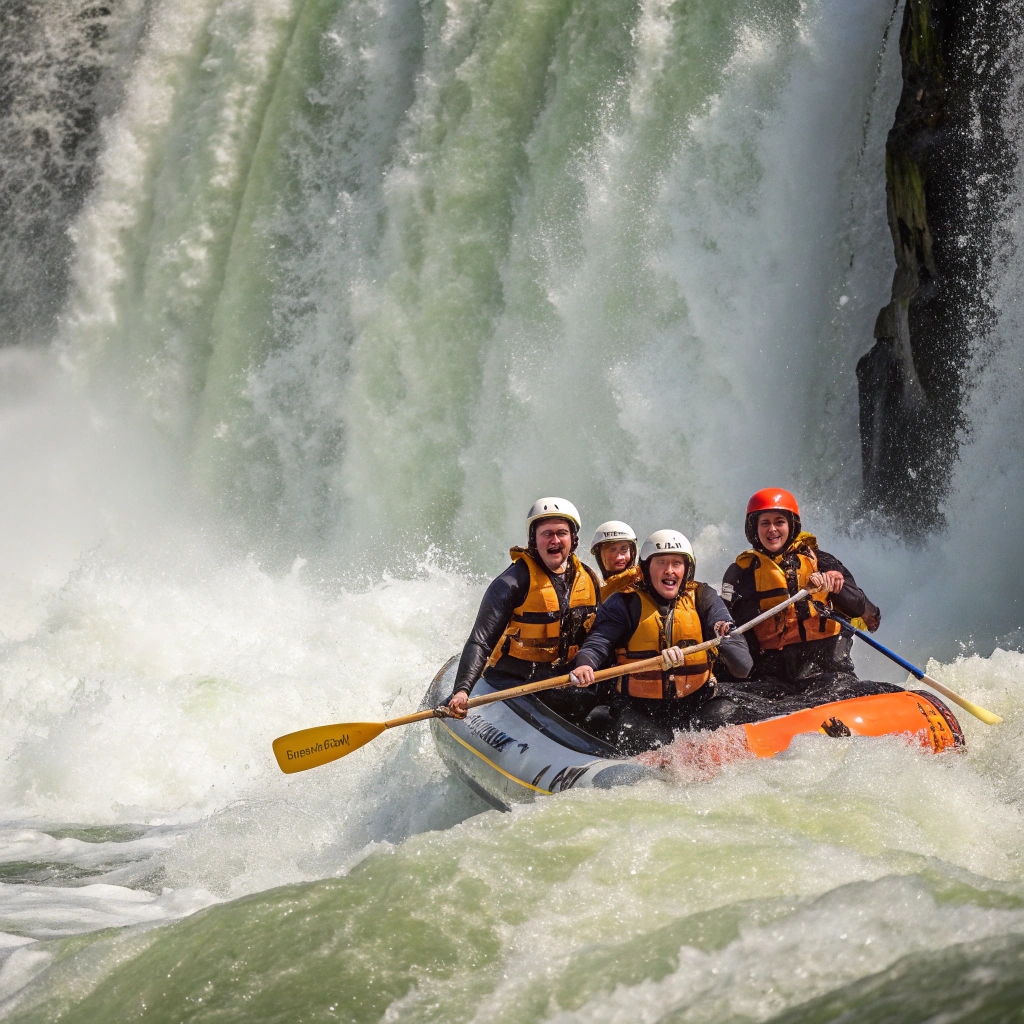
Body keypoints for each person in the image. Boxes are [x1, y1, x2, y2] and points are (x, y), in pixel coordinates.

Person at [699, 487, 898, 728]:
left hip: (827, 676)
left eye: (779, 522)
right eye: (765, 523)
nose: (772, 530)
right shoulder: (739, 574)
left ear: (792, 525)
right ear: (754, 528)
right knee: (715, 707)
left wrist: (837, 586)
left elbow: (862, 609)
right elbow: (733, 634)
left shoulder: (821, 561)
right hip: (773, 682)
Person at [569, 530, 752, 754]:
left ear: (686, 570)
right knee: (653, 739)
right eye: (661, 563)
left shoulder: (703, 597)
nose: (669, 570)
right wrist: (586, 663)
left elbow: (743, 667)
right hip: (641, 708)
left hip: (693, 703)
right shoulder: (624, 603)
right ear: (646, 569)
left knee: (727, 711)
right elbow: (599, 641)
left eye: (677, 563)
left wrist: (722, 632)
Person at [444, 498, 601, 720]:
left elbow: (599, 637)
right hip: (513, 681)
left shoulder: (588, 579)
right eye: (546, 533)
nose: (555, 540)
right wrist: (462, 689)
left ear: (573, 539)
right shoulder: (511, 583)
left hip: (560, 681)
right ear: (534, 540)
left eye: (561, 533)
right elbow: (480, 641)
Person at [589, 521, 642, 600]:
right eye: (612, 550)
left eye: (624, 549)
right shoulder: (593, 592)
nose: (619, 557)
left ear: (633, 552)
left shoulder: (645, 584)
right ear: (599, 555)